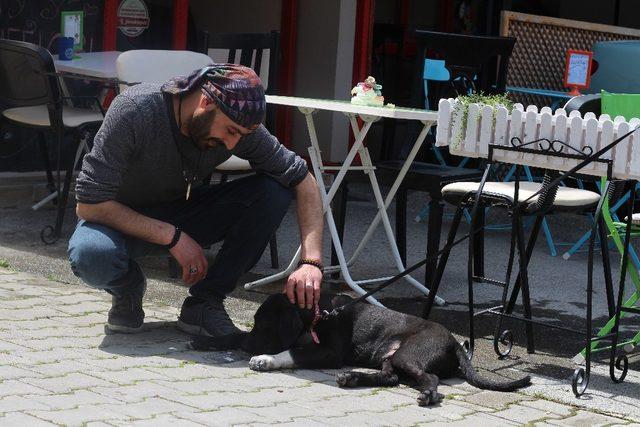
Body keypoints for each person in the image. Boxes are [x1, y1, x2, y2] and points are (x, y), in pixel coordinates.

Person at [67, 64, 324, 337]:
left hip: (183, 212)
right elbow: (89, 204)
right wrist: (172, 236)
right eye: (230, 131)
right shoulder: (135, 110)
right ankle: (127, 287)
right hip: (117, 220)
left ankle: (205, 302)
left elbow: (303, 180)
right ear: (205, 101)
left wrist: (312, 263)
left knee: (273, 191)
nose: (231, 144)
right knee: (91, 256)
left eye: (239, 136)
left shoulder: (236, 126)